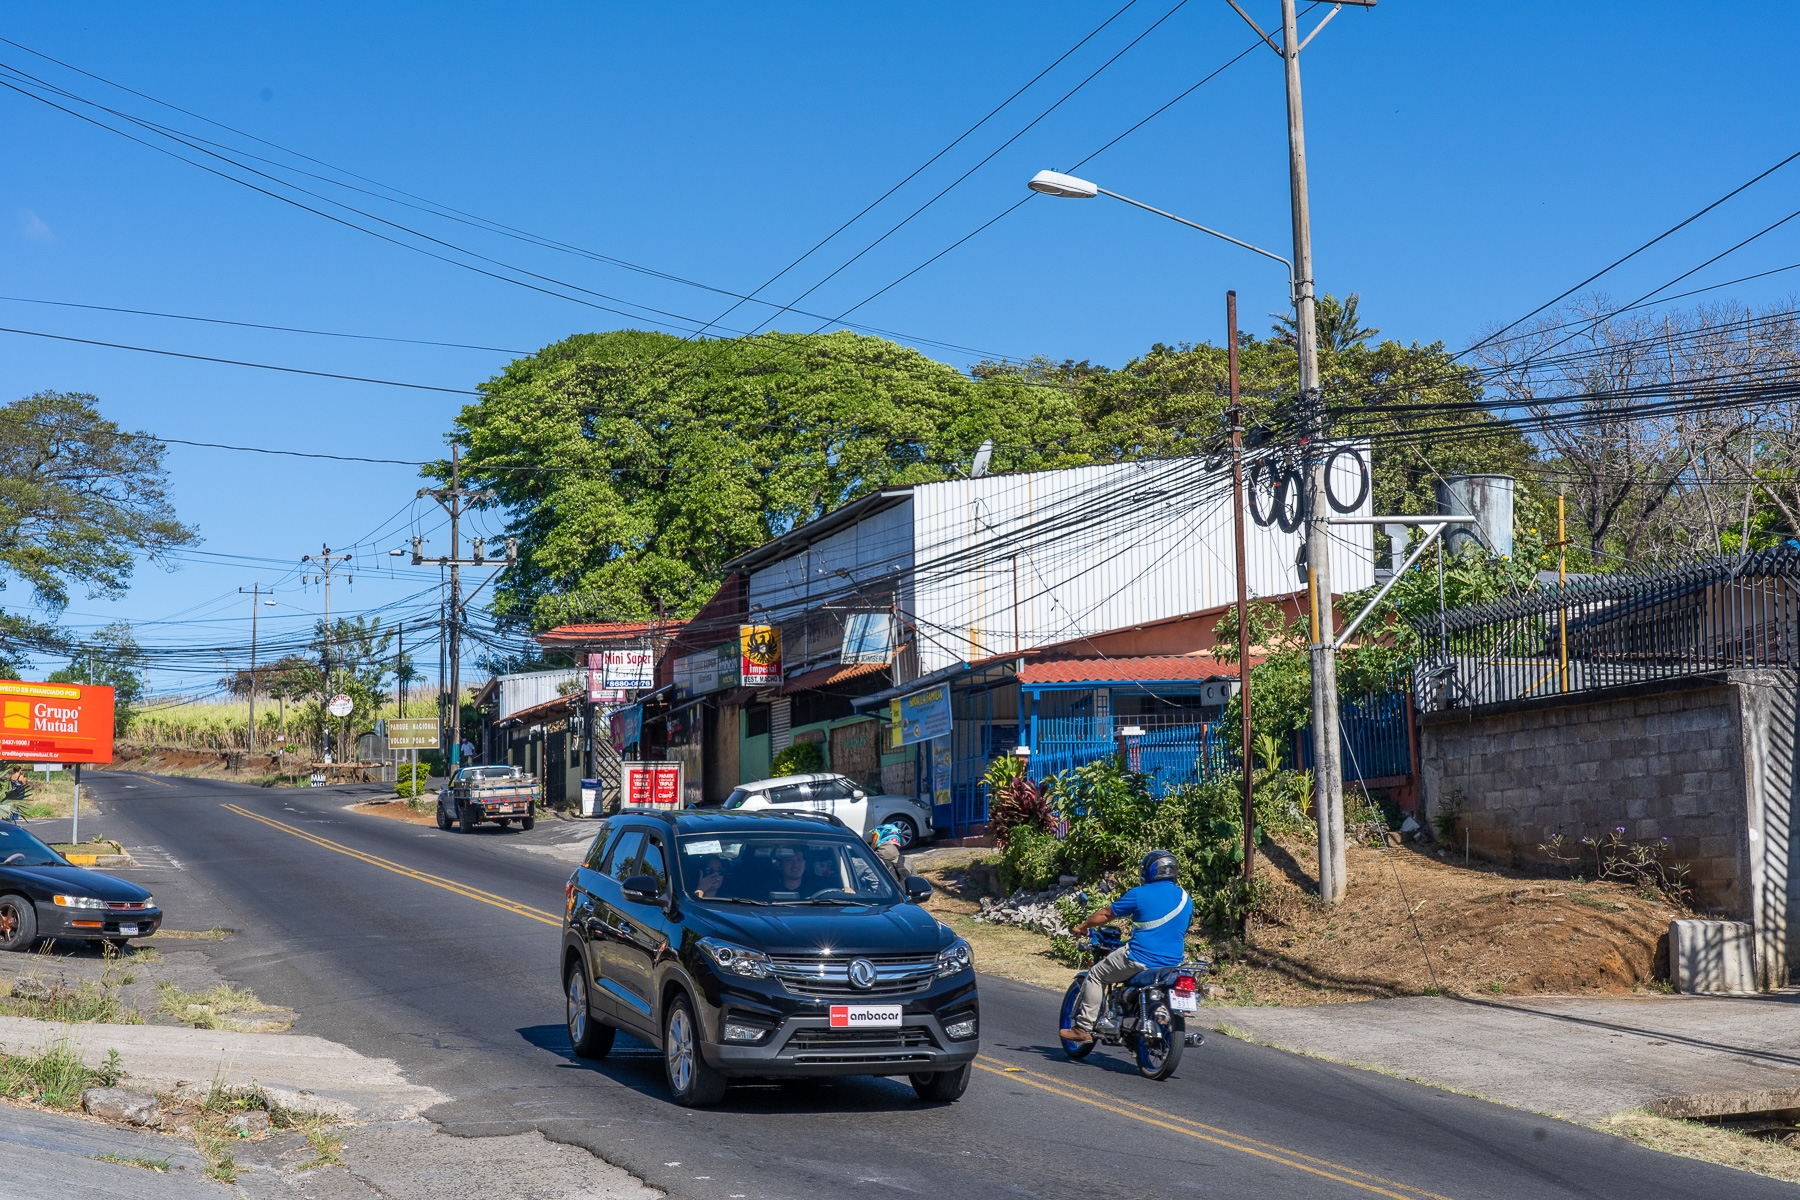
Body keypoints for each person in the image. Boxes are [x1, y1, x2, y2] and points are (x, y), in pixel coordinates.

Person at [1060, 849, 1193, 1045]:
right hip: (1172, 963)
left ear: (1150, 871)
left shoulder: (1140, 894)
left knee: (1096, 974)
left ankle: (1083, 1027)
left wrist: (1083, 926)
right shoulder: (1185, 898)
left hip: (1139, 957)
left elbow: (1107, 914)